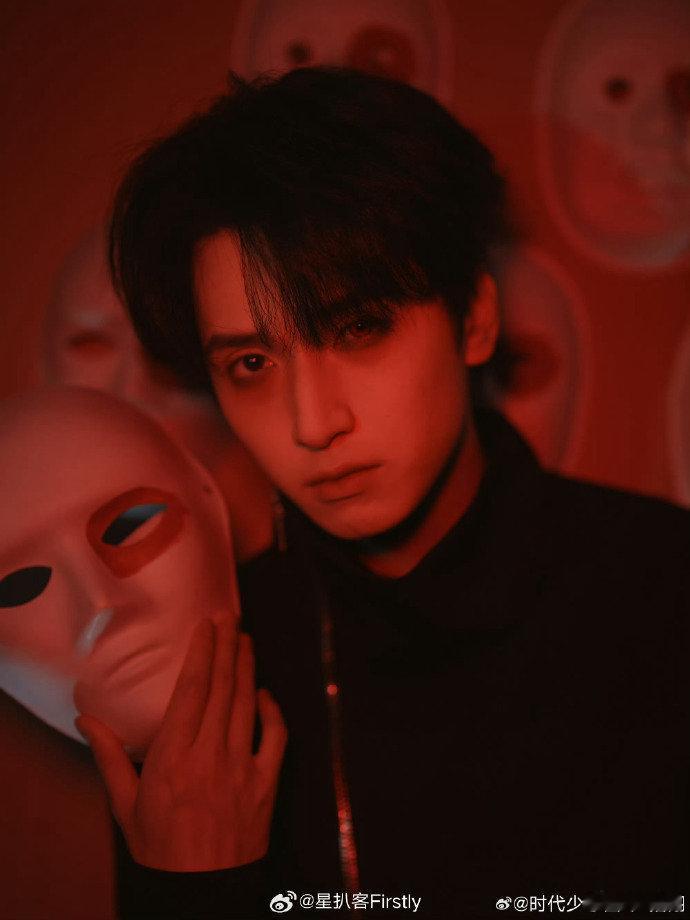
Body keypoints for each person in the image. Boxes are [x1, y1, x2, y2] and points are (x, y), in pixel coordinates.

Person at [77, 68, 690, 918]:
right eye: (251, 363)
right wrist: (199, 889)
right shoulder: (212, 671)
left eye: (358, 327)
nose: (313, 422)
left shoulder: (663, 590)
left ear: (473, 319)